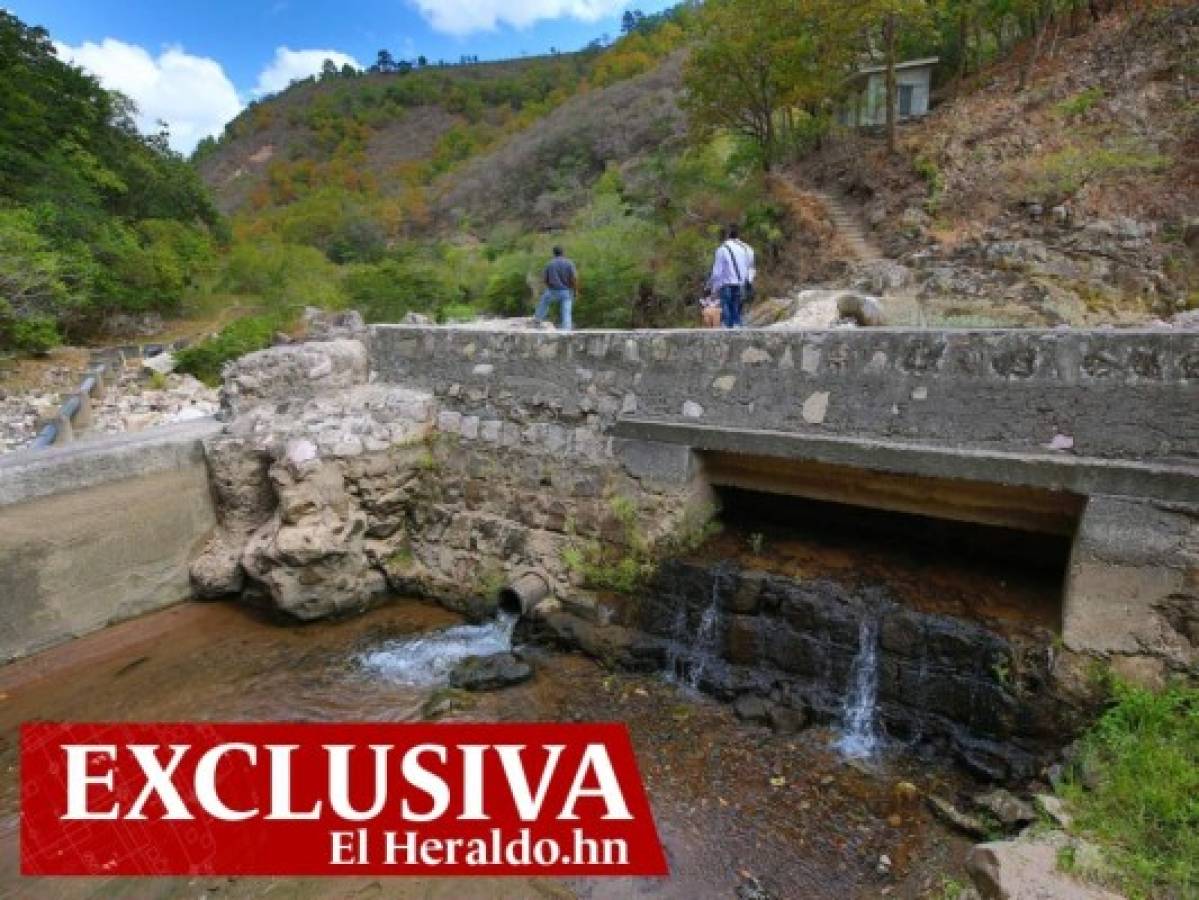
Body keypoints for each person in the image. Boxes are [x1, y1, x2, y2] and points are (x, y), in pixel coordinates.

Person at [708, 226, 756, 329]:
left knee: (727, 309)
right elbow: (751, 267)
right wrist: (748, 281)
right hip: (741, 283)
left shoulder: (722, 250)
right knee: (737, 308)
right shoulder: (746, 248)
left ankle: (728, 330)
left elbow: (717, 272)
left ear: (726, 236)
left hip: (726, 284)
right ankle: (738, 327)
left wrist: (713, 288)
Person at [534, 246, 578, 331]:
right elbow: (574, 278)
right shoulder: (569, 263)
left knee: (544, 302)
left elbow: (545, 279)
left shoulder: (549, 264)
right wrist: (575, 290)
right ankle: (566, 328)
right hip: (566, 291)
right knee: (566, 310)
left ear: (554, 253)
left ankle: (538, 319)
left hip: (552, 290)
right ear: (563, 252)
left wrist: (549, 286)